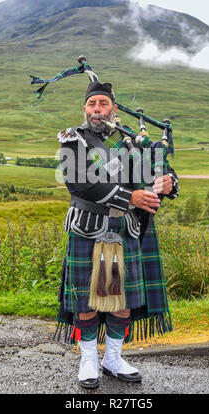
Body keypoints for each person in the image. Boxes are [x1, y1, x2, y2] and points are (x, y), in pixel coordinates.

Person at [54, 81, 179, 389]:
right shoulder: (74, 140)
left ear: (113, 108)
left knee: (121, 298)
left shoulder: (132, 142)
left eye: (103, 104)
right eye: (92, 104)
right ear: (84, 109)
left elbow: (162, 170)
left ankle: (112, 357)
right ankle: (88, 360)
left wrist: (168, 182)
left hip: (125, 229)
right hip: (88, 227)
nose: (97, 109)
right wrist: (131, 198)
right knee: (87, 300)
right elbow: (80, 184)